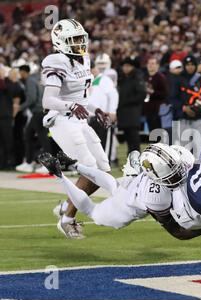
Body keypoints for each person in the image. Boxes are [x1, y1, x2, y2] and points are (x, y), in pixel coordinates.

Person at [37, 145, 201, 240]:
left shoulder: (179, 156)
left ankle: (73, 167)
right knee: (92, 211)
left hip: (130, 184)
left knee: (110, 182)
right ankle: (60, 176)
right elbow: (176, 232)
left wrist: (77, 166)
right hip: (126, 207)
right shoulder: (156, 197)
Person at [41, 19, 112, 239]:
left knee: (103, 170)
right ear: (60, 42)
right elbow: (48, 100)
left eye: (81, 39)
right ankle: (67, 219)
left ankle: (66, 206)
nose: (79, 44)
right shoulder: (55, 61)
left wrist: (96, 109)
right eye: (73, 40)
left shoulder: (84, 59)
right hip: (61, 119)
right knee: (89, 168)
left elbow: (81, 98)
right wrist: (71, 106)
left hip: (79, 120)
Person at [15, 64, 52, 173]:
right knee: (29, 135)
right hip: (40, 112)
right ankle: (29, 162)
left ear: (23, 72)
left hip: (38, 112)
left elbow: (32, 98)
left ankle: (48, 165)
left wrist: (20, 108)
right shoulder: (36, 80)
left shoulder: (30, 81)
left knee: (42, 138)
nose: (19, 74)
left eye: (20, 72)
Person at [174, 55, 201, 157]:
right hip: (183, 117)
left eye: (192, 64)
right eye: (188, 65)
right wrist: (183, 107)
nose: (190, 67)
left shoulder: (200, 78)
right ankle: (184, 170)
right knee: (183, 147)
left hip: (199, 117)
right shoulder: (178, 79)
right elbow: (172, 98)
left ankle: (199, 169)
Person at [88, 62, 118, 165]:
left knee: (104, 143)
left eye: (92, 68)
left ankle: (105, 166)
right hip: (91, 117)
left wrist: (112, 111)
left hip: (104, 116)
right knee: (93, 143)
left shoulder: (104, 80)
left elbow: (113, 95)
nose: (91, 71)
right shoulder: (90, 81)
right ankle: (96, 165)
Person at [117, 57, 146, 155]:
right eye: (124, 66)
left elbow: (142, 95)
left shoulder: (137, 78)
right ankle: (131, 156)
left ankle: (136, 156)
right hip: (124, 113)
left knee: (133, 136)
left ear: (132, 67)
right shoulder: (122, 78)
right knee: (128, 136)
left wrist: (126, 101)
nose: (125, 68)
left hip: (132, 112)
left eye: (128, 66)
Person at [143, 57, 168, 132]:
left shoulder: (161, 78)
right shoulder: (145, 77)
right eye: (149, 63)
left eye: (153, 63)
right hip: (148, 109)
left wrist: (153, 92)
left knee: (158, 132)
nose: (150, 65)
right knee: (152, 132)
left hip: (158, 110)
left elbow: (165, 93)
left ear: (157, 65)